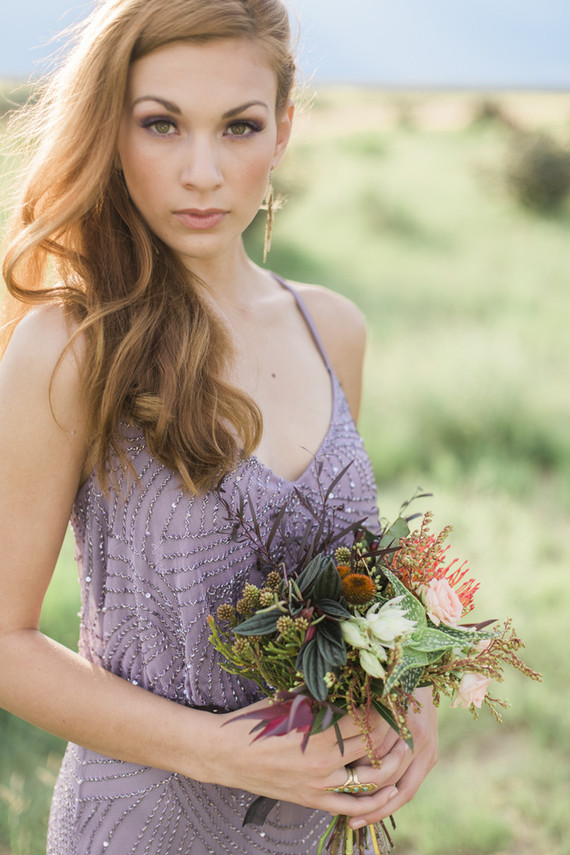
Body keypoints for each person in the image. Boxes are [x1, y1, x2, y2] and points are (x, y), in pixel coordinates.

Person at [0, 1, 438, 852]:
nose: (202, 171)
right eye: (160, 124)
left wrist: (406, 691)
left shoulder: (332, 327)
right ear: (110, 133)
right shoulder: (72, 344)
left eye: (238, 127)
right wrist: (229, 753)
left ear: (281, 134)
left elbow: (348, 579)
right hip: (142, 829)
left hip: (314, 826)